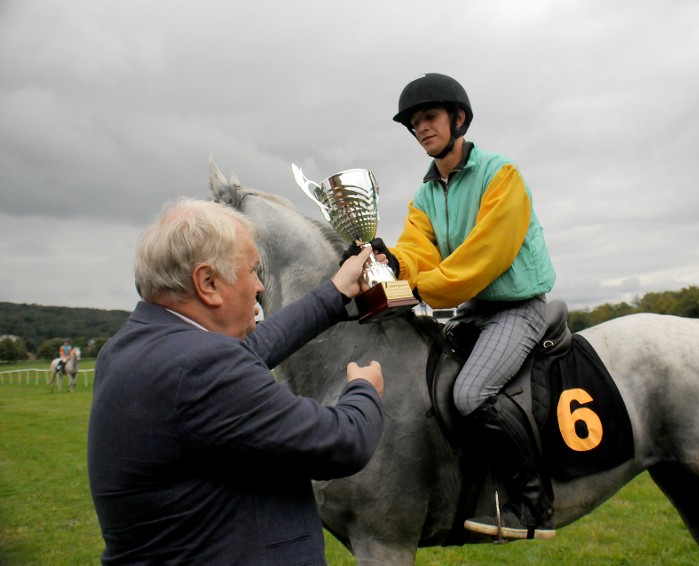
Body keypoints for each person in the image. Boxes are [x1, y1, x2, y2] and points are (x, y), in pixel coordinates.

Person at [87, 198, 385, 564]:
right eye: (252, 271)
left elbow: (256, 346)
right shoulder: (202, 367)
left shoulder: (133, 348)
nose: (260, 286)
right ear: (208, 282)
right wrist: (364, 390)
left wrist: (337, 290)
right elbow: (342, 442)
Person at [380, 73, 557, 539]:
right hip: (472, 312)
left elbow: (484, 256)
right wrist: (389, 263)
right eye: (414, 123)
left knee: (470, 394)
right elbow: (417, 252)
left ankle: (533, 502)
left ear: (458, 119)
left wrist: (420, 290)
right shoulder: (424, 194)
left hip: (518, 309)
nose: (421, 128)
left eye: (429, 117)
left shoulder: (502, 174)